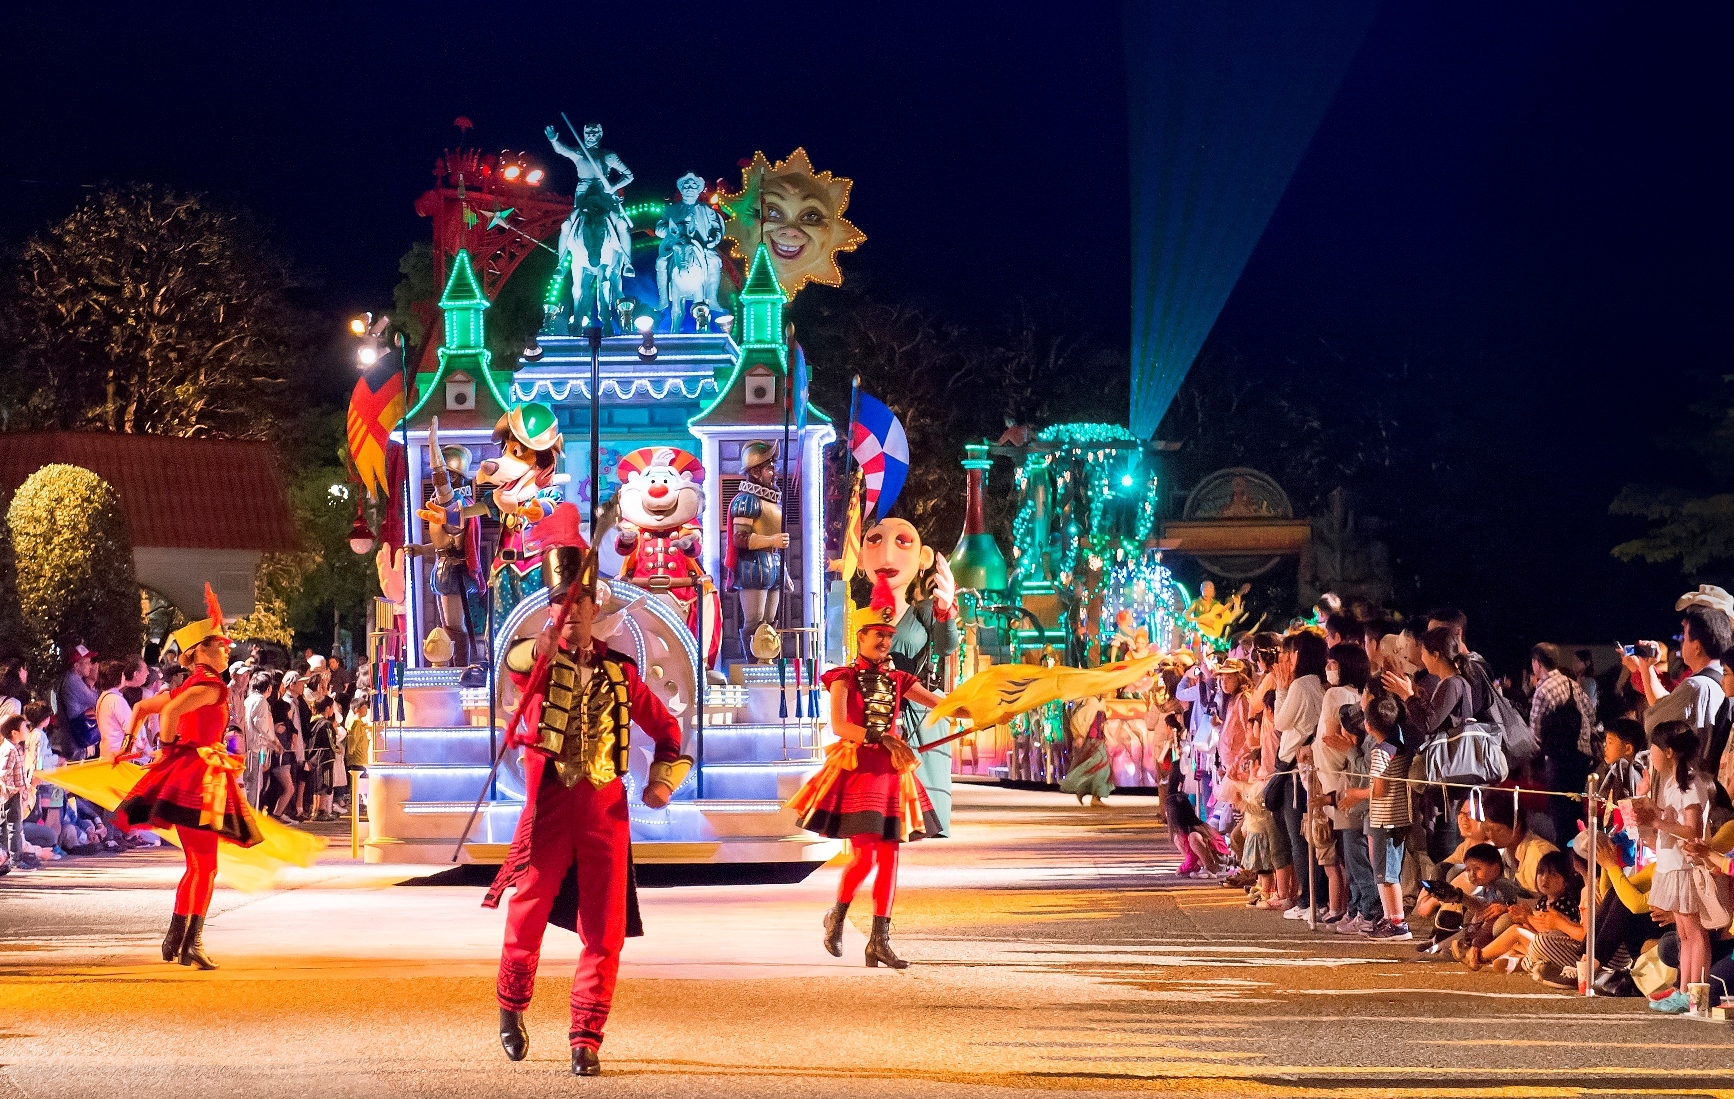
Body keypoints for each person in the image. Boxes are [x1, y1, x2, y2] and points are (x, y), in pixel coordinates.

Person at [482, 539, 689, 1077]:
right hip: (549, 807)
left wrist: (662, 781)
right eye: (560, 603)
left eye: (579, 603)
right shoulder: (537, 663)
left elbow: (668, 730)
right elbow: (516, 664)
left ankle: (586, 1038)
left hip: (605, 810)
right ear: (550, 609)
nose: (570, 612)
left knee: (605, 928)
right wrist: (540, 648)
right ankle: (511, 1005)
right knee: (527, 910)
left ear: (596, 608)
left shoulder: (622, 671)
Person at [788, 585, 946, 969]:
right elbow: (840, 726)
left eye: (889, 636)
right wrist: (881, 737)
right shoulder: (843, 677)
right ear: (860, 637)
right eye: (878, 634)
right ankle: (837, 915)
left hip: (891, 775)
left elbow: (943, 705)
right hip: (858, 771)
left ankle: (879, 941)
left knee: (890, 854)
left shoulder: (899, 679)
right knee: (864, 857)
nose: (885, 641)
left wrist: (987, 710)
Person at [112, 591, 264, 970]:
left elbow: (142, 708)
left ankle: (176, 939)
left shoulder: (191, 683)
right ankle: (190, 943)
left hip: (189, 775)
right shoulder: (211, 686)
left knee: (197, 864)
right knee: (205, 865)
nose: (226, 650)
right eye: (219, 645)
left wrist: (131, 745)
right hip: (199, 779)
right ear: (199, 651)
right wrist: (165, 752)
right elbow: (169, 715)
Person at [1628, 721, 1728, 1014]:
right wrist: (1652, 811)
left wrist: (1657, 821)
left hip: (1685, 867)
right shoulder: (1673, 784)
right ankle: (1684, 990)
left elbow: (1692, 830)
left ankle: (1696, 994)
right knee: (1684, 934)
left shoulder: (1691, 784)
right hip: (1671, 866)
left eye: (1654, 749)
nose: (1652, 755)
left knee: (1694, 933)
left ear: (1669, 751)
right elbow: (1674, 821)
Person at [1272, 631, 1328, 919]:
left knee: (1300, 838)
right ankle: (1318, 899)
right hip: (1316, 769)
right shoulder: (1323, 683)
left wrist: (1281, 690)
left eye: (1292, 652)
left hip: (1295, 770)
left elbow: (1281, 722)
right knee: (1317, 836)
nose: (1289, 658)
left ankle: (1309, 900)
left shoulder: (1301, 684)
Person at [1629, 605, 1732, 761]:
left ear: (1697, 647)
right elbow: (1665, 704)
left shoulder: (1695, 686)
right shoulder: (1723, 677)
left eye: (1684, 638)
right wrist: (1646, 667)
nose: (1681, 643)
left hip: (1691, 773)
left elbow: (1656, 721)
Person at [1529, 644, 1595, 843]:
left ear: (1537, 663)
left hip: (1558, 758)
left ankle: (1564, 853)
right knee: (1576, 809)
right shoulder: (1571, 684)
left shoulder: (1543, 689)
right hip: (1581, 756)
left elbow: (1535, 730)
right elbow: (1591, 713)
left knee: (1560, 812)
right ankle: (1580, 850)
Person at [57, 645, 100, 760]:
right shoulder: (73, 681)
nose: (90, 666)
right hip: (77, 741)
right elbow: (98, 700)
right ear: (76, 665)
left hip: (77, 738)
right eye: (87, 663)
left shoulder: (72, 679)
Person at [0, 715, 28, 872]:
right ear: (14, 732)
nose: (27, 730)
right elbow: (3, 773)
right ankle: (15, 860)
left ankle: (6, 858)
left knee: (10, 826)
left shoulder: (16, 748)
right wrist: (14, 789)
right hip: (10, 794)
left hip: (14, 793)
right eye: (24, 727)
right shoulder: (9, 749)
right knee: (13, 827)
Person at [304, 696, 338, 822]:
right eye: (332, 707)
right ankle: (322, 810)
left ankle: (315, 809)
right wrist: (336, 749)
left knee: (316, 785)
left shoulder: (313, 722)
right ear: (327, 708)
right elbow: (331, 741)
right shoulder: (326, 724)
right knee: (324, 784)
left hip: (313, 757)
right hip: (325, 757)